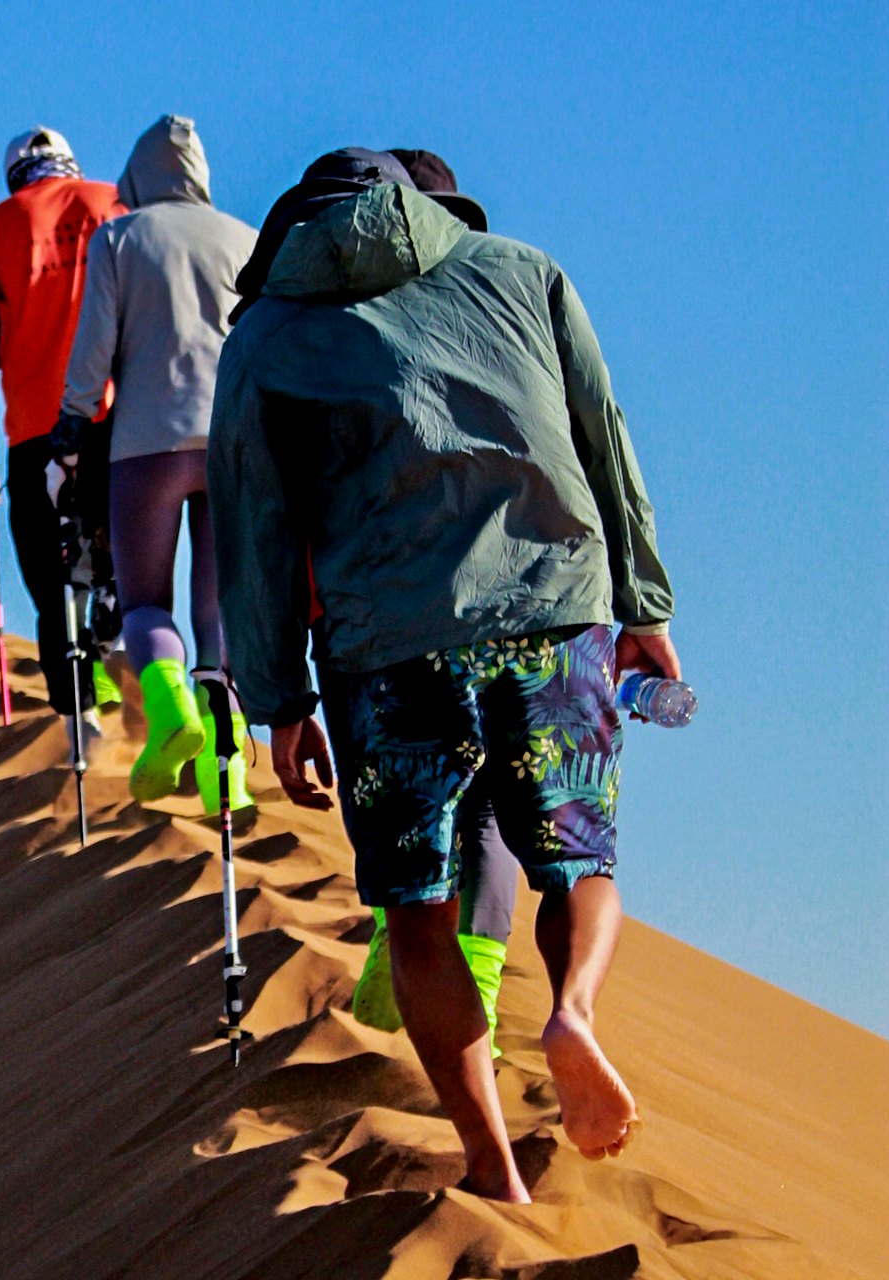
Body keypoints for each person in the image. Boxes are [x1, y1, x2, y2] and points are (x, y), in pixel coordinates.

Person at [209, 147, 678, 1202]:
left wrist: (278, 701)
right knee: (578, 861)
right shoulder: (521, 270)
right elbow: (607, 439)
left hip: (387, 651)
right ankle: (573, 1014)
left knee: (417, 913)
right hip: (554, 608)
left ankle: (493, 1165)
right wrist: (643, 606)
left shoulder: (264, 340)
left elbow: (256, 531)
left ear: (290, 229)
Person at [347, 149, 522, 1056]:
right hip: (525, 597)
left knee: (417, 790)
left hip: (418, 604)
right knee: (491, 804)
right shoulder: (508, 312)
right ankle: (474, 996)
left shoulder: (378, 322)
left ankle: (403, 959)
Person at [52, 116, 258, 813]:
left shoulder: (119, 237)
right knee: (218, 613)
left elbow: (95, 347)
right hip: (234, 444)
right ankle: (224, 771)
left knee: (144, 601)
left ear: (139, 174)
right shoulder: (246, 238)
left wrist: (73, 420)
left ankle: (170, 713)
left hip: (147, 444)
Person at [0, 127, 125, 734]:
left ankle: (84, 721)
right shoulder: (115, 204)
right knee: (119, 559)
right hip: (118, 419)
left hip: (36, 433)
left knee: (52, 579)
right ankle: (126, 662)